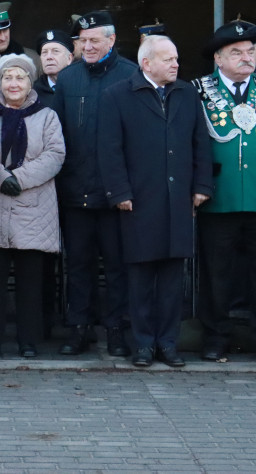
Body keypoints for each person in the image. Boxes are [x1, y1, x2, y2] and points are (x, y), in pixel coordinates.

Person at [98, 35, 212, 367]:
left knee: (173, 277)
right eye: (168, 59)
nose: (176, 64)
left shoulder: (187, 93)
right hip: (138, 201)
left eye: (176, 58)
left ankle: (169, 343)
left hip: (178, 200)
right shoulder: (117, 95)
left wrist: (202, 185)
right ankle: (144, 344)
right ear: (147, 64)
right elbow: (109, 149)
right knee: (141, 277)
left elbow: (199, 142)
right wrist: (119, 192)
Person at [194, 20, 256, 365]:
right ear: (218, 58)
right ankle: (216, 336)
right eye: (237, 53)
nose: (246, 58)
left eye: (250, 51)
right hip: (218, 197)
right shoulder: (198, 90)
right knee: (218, 275)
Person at [51, 10, 137, 357]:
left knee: (117, 267)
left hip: (116, 194)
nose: (86, 46)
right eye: (81, 41)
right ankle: (79, 329)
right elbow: (55, 133)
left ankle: (116, 330)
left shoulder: (131, 74)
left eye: (93, 40)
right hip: (75, 192)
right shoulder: (68, 78)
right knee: (79, 266)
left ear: (111, 40)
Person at [0, 54, 65, 358]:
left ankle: (28, 342)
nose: (14, 83)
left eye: (20, 77)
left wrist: (18, 179)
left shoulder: (46, 115)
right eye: (8, 77)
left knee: (30, 281)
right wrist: (0, 177)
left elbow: (55, 155)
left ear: (30, 81)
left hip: (34, 208)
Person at [32, 29, 74, 108]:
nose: (49, 57)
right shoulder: (33, 93)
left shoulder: (81, 86)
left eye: (55, 51)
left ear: (69, 58)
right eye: (44, 52)